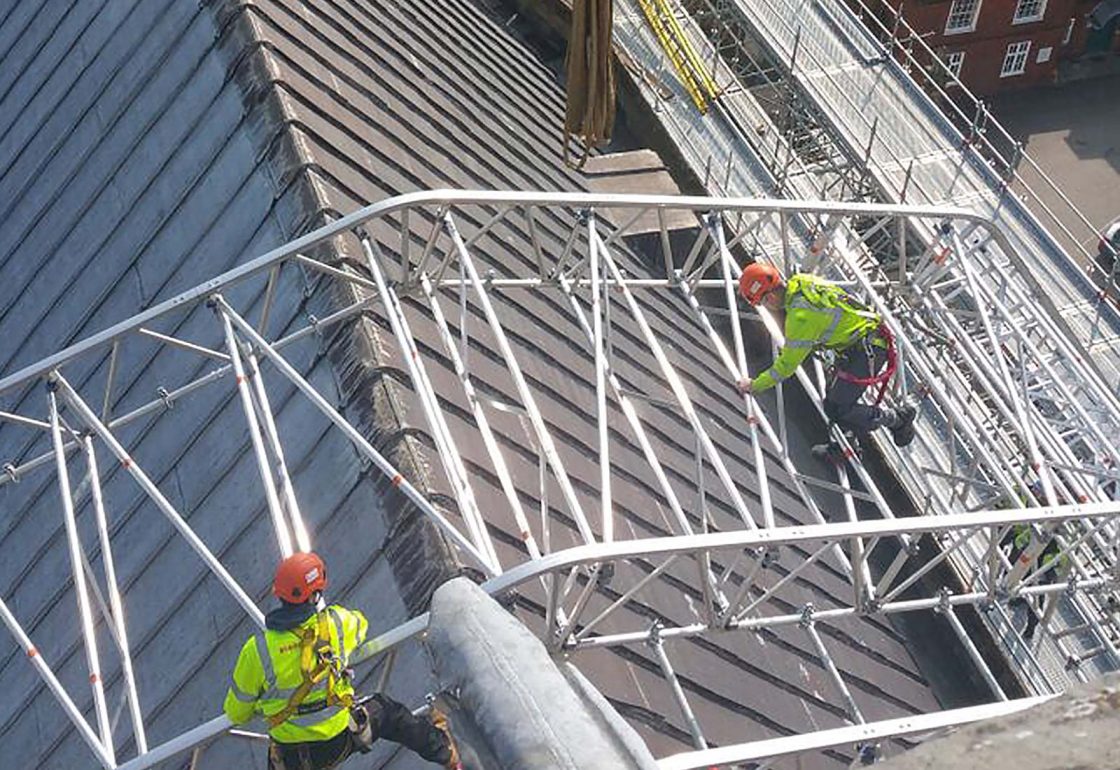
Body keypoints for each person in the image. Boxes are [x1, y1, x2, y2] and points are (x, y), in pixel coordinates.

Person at [224, 552, 461, 769]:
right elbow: (361, 626)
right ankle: (447, 753)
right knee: (388, 713)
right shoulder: (336, 624)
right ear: (315, 595)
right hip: (338, 743)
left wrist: (265, 705)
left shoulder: (257, 651)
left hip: (290, 760)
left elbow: (237, 714)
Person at [735, 263, 917, 461]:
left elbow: (786, 366)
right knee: (834, 396)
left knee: (838, 407)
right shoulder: (803, 281)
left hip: (866, 349)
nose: (766, 308)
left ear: (769, 297)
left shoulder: (800, 319)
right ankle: (845, 444)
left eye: (763, 303)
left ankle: (897, 419)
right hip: (859, 341)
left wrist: (754, 385)